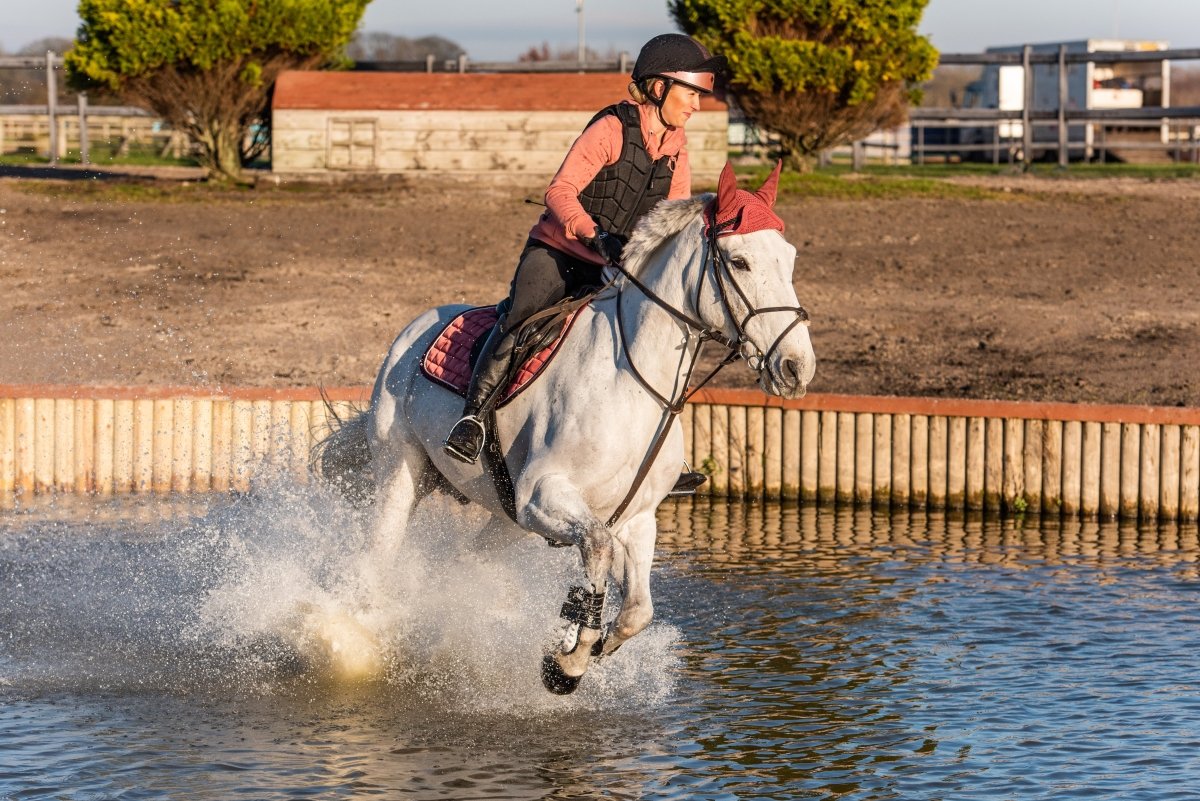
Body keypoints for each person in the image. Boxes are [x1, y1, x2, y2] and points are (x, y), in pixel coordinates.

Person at [443, 33, 725, 465]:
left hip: (615, 267)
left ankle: (657, 451)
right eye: (691, 94)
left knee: (657, 333)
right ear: (658, 88)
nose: (696, 105)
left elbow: (673, 220)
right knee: (524, 315)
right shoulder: (611, 128)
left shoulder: (676, 149)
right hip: (559, 253)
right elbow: (560, 190)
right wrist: (592, 233)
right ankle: (473, 419)